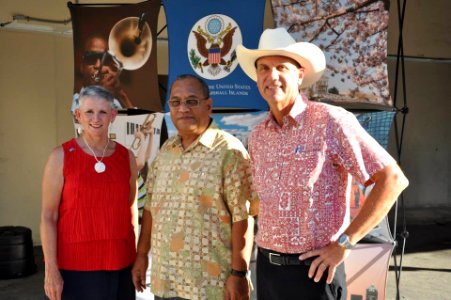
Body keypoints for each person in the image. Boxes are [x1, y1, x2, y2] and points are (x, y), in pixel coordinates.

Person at [236, 27, 409, 300]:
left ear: (300, 74)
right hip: (268, 272)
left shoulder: (330, 120)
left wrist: (344, 243)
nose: (272, 76)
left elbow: (393, 180)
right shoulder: (258, 136)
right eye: (264, 68)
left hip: (315, 274)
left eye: (282, 67)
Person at [131, 74, 257, 300]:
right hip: (165, 282)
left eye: (191, 101)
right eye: (175, 102)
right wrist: (141, 255)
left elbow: (243, 217)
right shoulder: (166, 151)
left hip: (211, 287)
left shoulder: (229, 151)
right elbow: (150, 207)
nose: (183, 109)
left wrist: (239, 273)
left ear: (208, 106)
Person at [40, 85, 138, 300]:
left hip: (121, 263)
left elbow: (129, 207)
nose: (96, 118)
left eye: (103, 112)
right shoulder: (60, 156)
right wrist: (50, 270)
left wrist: (137, 260)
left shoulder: (126, 157)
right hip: (75, 267)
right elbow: (48, 216)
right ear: (78, 115)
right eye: (89, 112)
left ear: (113, 115)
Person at [71, 33, 134, 115]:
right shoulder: (73, 101)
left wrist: (121, 94)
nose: (98, 65)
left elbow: (137, 124)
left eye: (103, 59)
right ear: (82, 66)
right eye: (91, 58)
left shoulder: (115, 103)